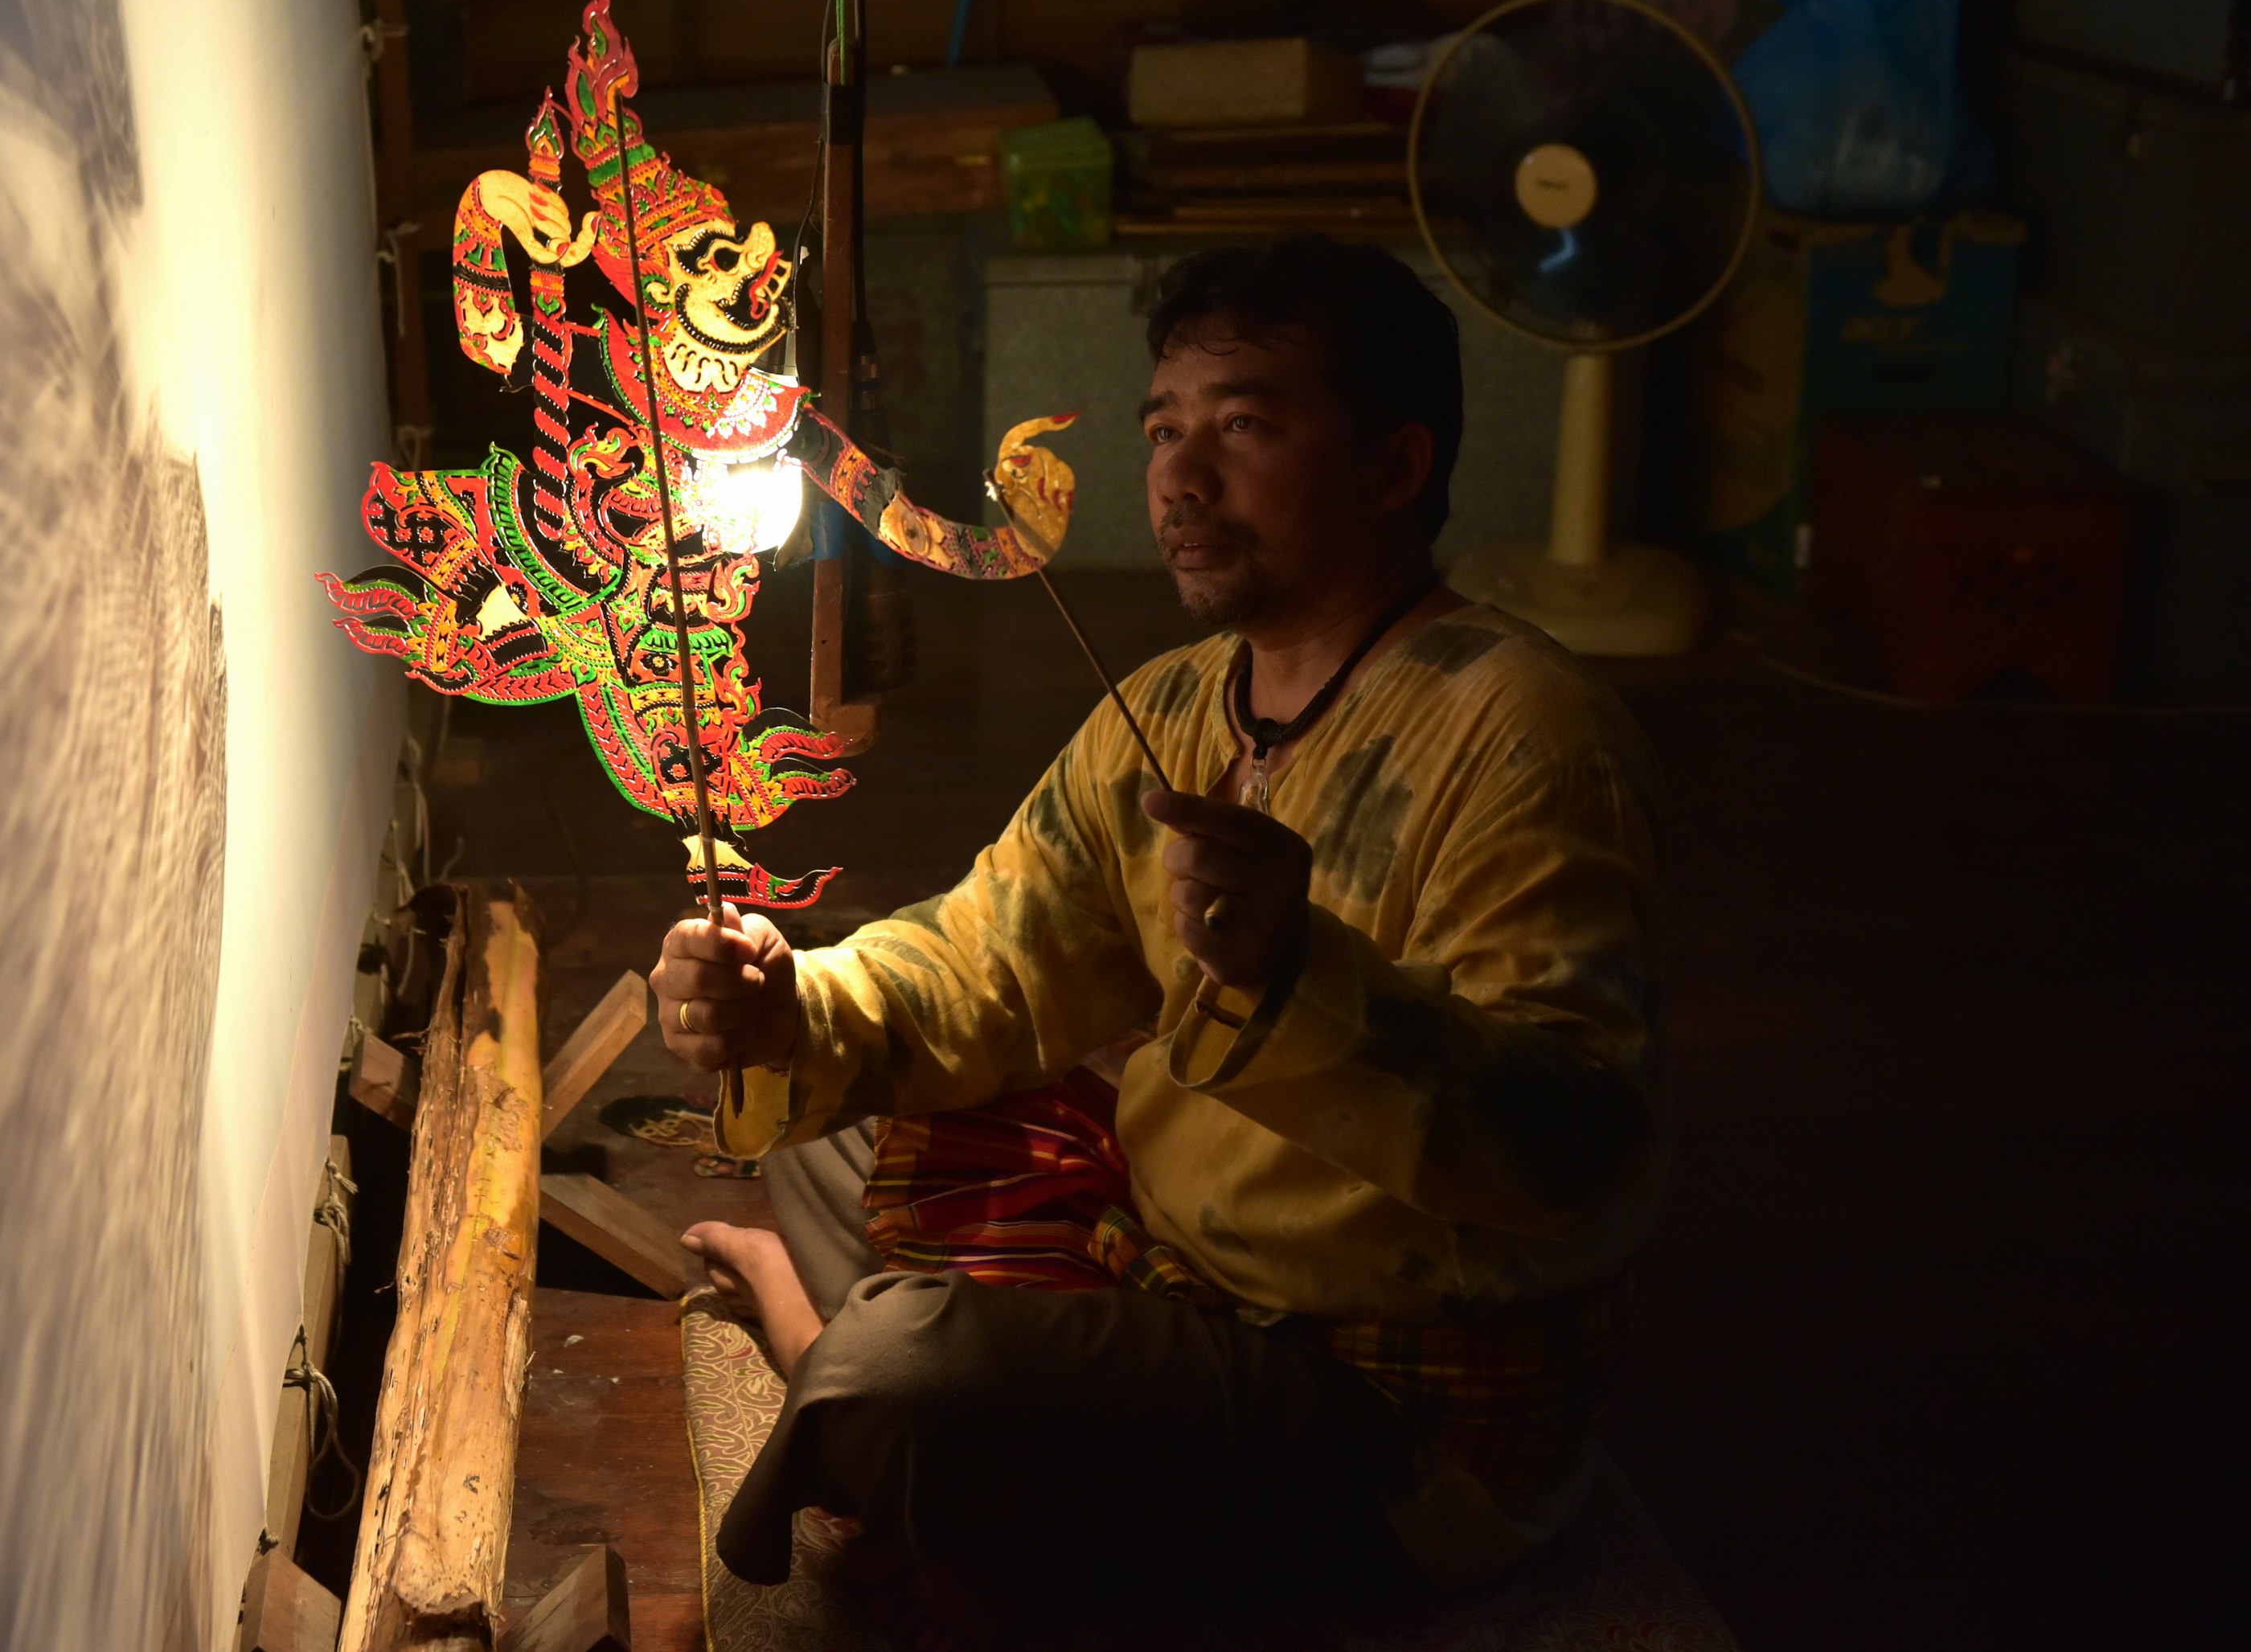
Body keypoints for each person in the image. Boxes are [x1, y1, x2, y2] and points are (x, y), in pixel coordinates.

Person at [650, 236, 1666, 1640]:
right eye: (1164, 428)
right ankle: (957, 1399)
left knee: (897, 1369)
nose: (1183, 479)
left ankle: (841, 1368)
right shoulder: (1183, 702)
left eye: (1245, 425)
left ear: (1395, 466)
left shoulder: (1523, 734)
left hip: (1385, 1409)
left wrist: (1297, 980)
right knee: (837, 1084)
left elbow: (1579, 1146)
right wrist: (785, 1004)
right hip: (1169, 1262)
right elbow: (985, 958)